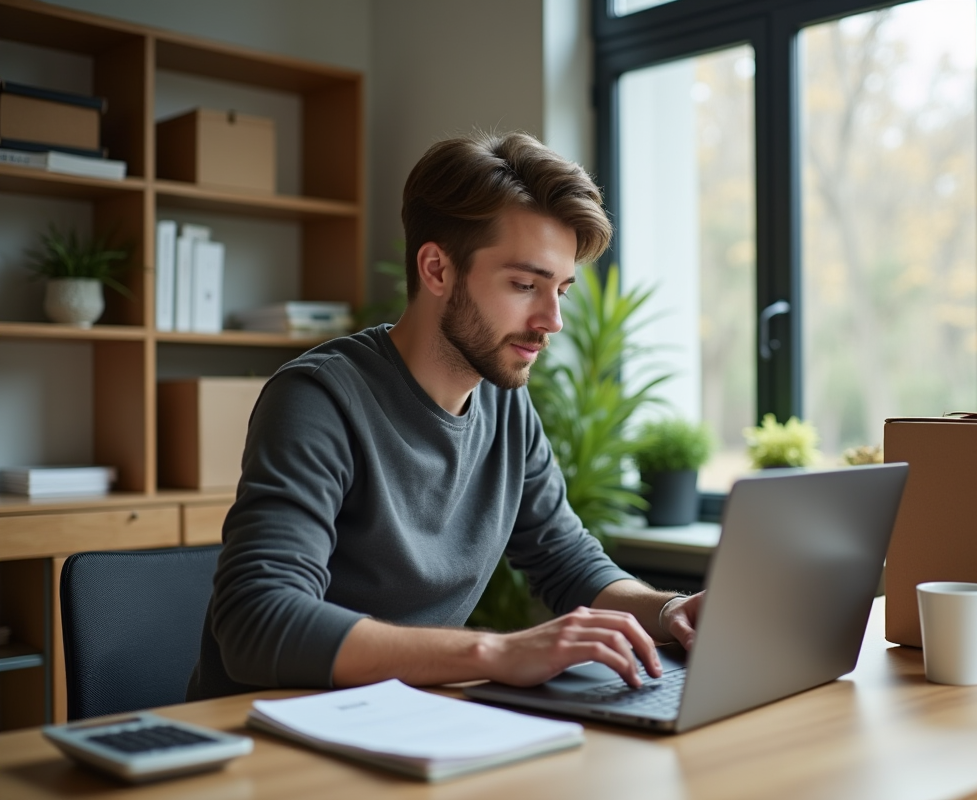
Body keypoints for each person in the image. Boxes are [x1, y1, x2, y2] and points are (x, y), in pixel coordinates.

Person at [187, 131, 704, 701]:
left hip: (406, 721)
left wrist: (674, 611)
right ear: (436, 269)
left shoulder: (504, 401)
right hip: (273, 738)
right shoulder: (318, 399)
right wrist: (497, 651)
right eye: (525, 284)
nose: (552, 319)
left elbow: (567, 562)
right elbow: (258, 623)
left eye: (562, 290)